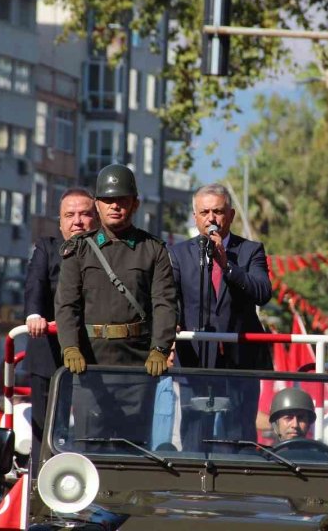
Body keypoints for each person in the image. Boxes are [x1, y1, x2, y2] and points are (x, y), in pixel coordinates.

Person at [54, 163, 178, 437]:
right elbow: (67, 306)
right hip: (90, 363)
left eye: (121, 199)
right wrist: (70, 348)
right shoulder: (79, 250)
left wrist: (159, 348)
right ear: (97, 204)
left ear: (135, 204)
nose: (114, 206)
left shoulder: (153, 250)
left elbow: (165, 304)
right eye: (107, 200)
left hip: (137, 364)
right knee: (90, 444)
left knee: (133, 449)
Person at [23, 187, 95, 470]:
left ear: (97, 218)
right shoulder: (47, 247)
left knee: (91, 429)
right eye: (70, 215)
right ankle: (41, 486)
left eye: (85, 214)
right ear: (60, 221)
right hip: (50, 353)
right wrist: (34, 315)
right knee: (48, 428)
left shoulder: (106, 252)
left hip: (93, 355)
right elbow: (35, 284)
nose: (77, 221)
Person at [168, 183, 273, 370]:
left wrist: (227, 265)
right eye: (204, 212)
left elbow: (263, 293)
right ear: (195, 218)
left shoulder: (250, 251)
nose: (211, 219)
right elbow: (168, 298)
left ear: (231, 215)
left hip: (240, 362)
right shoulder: (178, 254)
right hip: (193, 360)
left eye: (217, 211)